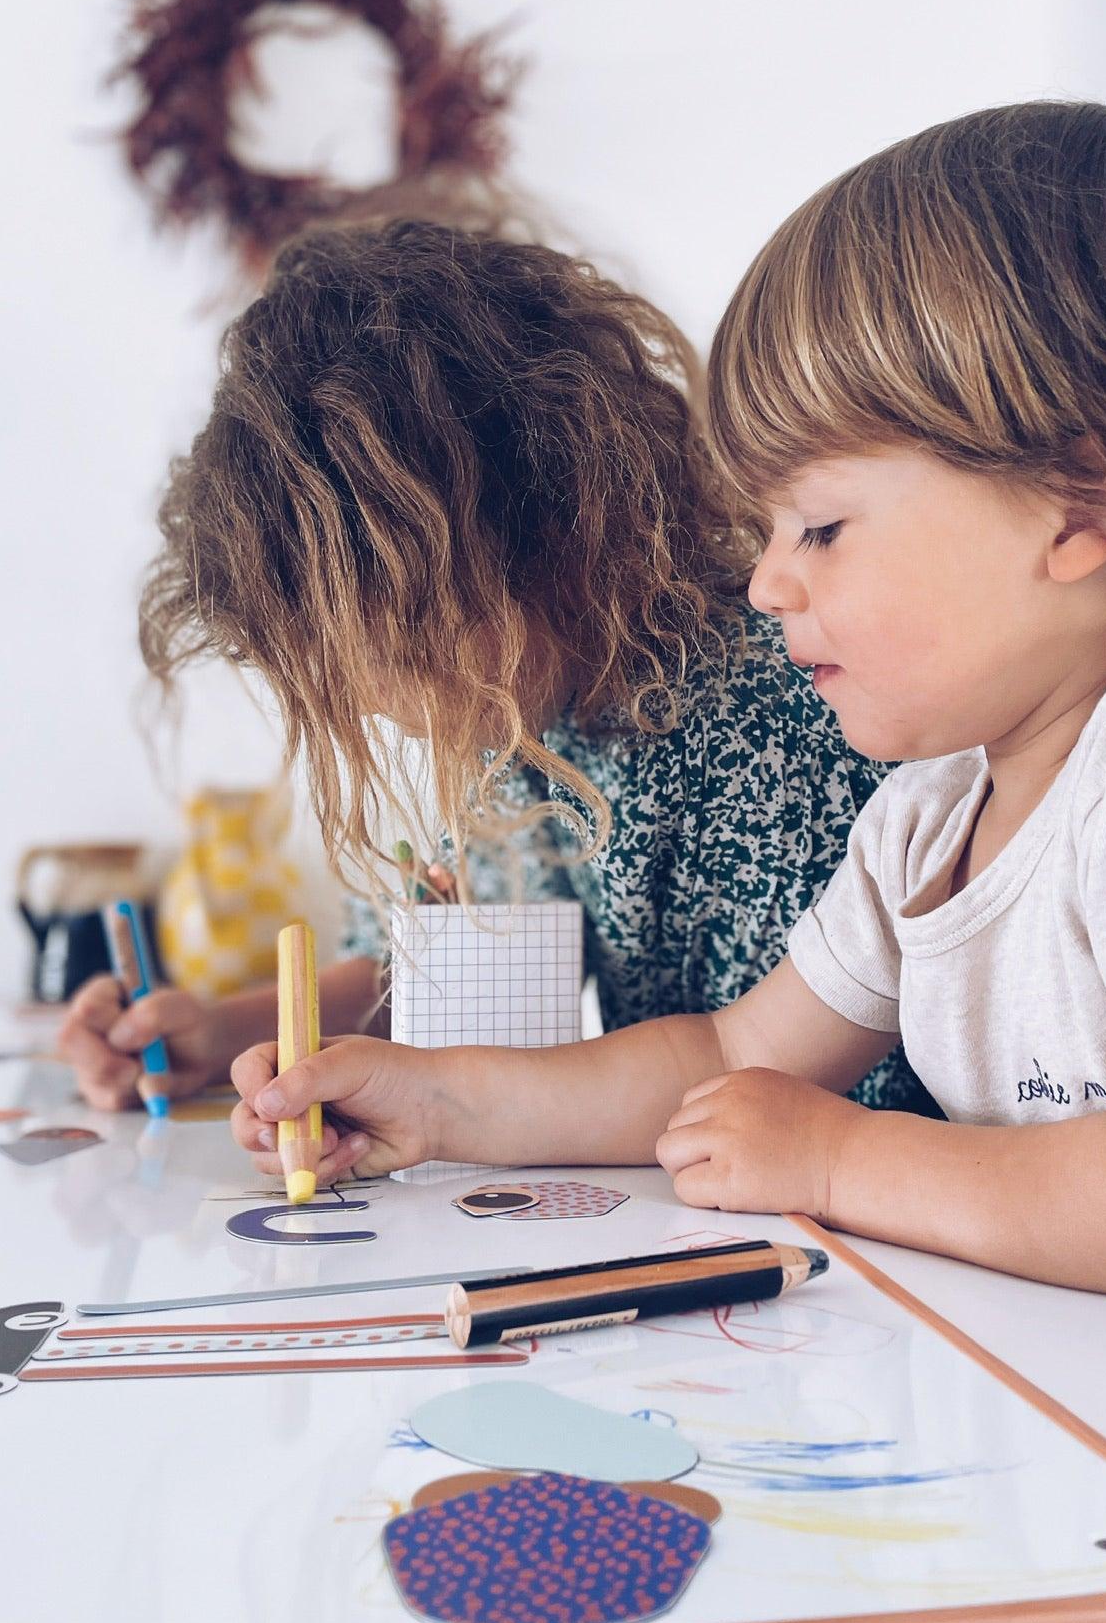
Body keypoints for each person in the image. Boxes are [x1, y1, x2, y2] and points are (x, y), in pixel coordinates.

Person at [232, 103, 1106, 1307]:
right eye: (767, 529)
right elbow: (728, 1055)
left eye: (820, 525)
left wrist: (840, 1152)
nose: (767, 581)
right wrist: (440, 1100)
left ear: (1086, 501)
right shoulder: (930, 814)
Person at [58, 220, 927, 1115]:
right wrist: (222, 1032)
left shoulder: (768, 712)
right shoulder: (519, 712)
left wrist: (445, 1112)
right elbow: (436, 962)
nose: (382, 710)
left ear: (555, 528)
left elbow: (769, 1079)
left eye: (396, 652)